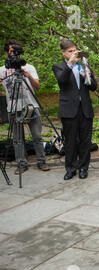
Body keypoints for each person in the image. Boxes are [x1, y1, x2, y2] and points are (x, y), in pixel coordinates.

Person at [0, 39, 49, 174]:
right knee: (17, 139)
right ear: (6, 52)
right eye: (11, 51)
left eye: (16, 51)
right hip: (13, 107)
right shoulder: (2, 70)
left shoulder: (29, 67)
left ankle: (41, 161)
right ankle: (21, 163)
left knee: (37, 136)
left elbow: (37, 87)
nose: (14, 54)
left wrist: (27, 75)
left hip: (31, 106)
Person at [52, 40, 97, 180]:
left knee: (85, 141)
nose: (73, 54)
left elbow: (93, 87)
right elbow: (62, 81)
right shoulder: (59, 66)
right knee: (70, 141)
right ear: (63, 52)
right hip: (69, 109)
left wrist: (87, 76)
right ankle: (70, 168)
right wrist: (70, 64)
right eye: (70, 51)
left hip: (85, 109)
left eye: (75, 51)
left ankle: (83, 167)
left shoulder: (83, 65)